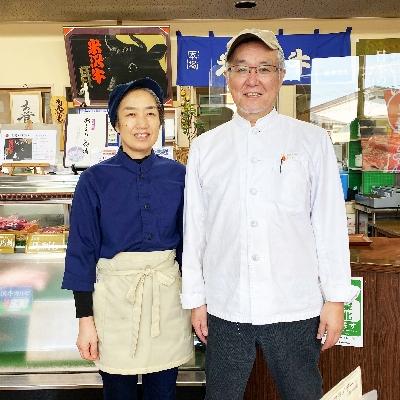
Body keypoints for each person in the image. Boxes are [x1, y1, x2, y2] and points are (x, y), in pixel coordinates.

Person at [181, 29, 358, 400]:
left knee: (303, 394)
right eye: (241, 69)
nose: (252, 80)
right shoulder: (205, 148)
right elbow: (195, 229)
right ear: (227, 77)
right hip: (225, 305)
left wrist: (336, 298)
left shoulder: (311, 141)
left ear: (280, 76)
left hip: (295, 304)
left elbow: (327, 224)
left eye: (264, 68)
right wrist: (196, 300)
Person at [62, 77, 193, 400]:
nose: (142, 123)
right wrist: (85, 321)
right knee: (117, 393)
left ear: (160, 121)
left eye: (150, 113)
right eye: (131, 114)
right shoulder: (94, 180)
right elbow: (81, 252)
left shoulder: (180, 175)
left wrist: (197, 305)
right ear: (116, 124)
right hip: (113, 302)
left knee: (163, 393)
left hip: (167, 299)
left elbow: (191, 248)